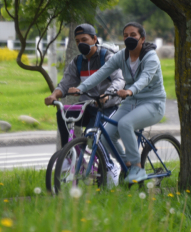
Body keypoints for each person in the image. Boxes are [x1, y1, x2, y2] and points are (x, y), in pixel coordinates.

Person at [68, 22, 166, 183]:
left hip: (153, 103)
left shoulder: (150, 57)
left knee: (125, 124)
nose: (129, 38)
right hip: (131, 102)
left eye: (133, 35)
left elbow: (145, 78)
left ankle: (137, 167)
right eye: (125, 36)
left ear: (142, 38)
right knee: (106, 136)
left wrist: (129, 90)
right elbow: (102, 73)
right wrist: (81, 88)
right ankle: (126, 164)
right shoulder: (122, 56)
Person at [44, 23, 125, 185]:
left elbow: (119, 79)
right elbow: (65, 85)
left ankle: (110, 166)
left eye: (85, 39)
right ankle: (68, 155)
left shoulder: (107, 57)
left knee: (91, 133)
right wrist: (54, 96)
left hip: (107, 107)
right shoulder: (77, 62)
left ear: (94, 39)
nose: (81, 43)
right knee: (63, 113)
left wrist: (107, 94)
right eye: (77, 40)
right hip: (87, 106)